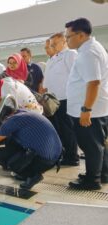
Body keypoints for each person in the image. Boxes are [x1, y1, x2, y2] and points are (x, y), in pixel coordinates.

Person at [0, 109, 62, 190]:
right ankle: (28, 170)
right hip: (56, 157)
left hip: (44, 160)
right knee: (7, 146)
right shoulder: (24, 113)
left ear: (5, 118)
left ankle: (32, 175)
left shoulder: (12, 121)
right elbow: (2, 139)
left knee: (4, 158)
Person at [65, 18, 108, 190]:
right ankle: (102, 173)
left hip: (90, 109)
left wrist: (86, 109)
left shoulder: (88, 53)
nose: (67, 40)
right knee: (98, 144)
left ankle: (92, 180)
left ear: (81, 35)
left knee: (91, 146)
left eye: (68, 37)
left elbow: (93, 83)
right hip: (96, 107)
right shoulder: (91, 48)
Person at [43, 32, 79, 166]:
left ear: (64, 42)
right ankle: (64, 154)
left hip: (66, 99)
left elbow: (76, 76)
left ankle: (72, 157)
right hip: (54, 100)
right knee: (59, 129)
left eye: (55, 43)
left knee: (68, 130)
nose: (52, 46)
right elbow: (47, 82)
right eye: (51, 44)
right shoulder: (52, 59)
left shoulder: (71, 55)